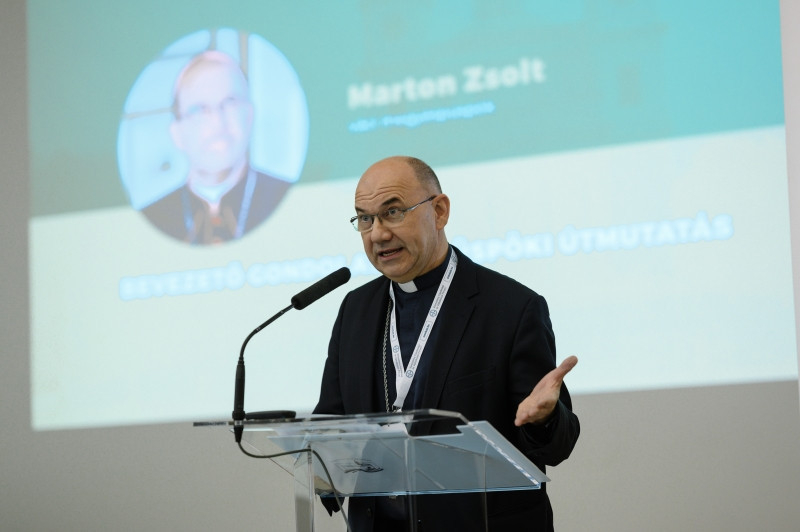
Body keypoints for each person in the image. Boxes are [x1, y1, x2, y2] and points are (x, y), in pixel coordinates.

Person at [314, 156, 580, 531]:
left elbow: (557, 445)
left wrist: (544, 420)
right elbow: (331, 420)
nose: (377, 234)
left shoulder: (511, 308)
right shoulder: (355, 309)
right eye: (365, 219)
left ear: (439, 211)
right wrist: (322, 460)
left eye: (392, 212)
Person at [141, 50, 290, 245]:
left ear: (249, 116)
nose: (218, 122)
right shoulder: (154, 216)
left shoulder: (286, 196)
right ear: (178, 134)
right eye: (200, 110)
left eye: (230, 103)